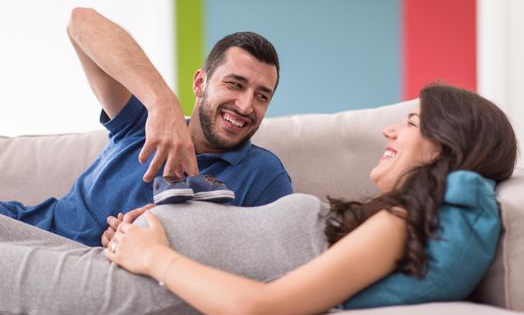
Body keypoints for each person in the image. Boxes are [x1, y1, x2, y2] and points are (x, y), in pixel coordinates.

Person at [0, 84, 516, 314]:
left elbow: (263, 306)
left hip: (137, 284)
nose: (389, 130)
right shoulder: (385, 221)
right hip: (125, 259)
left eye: (409, 122)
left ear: (445, 146)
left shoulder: (401, 224)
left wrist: (154, 255)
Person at [0, 8, 292, 247]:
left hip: (99, 276)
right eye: (235, 84)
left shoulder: (262, 173)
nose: (245, 105)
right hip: (30, 233)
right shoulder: (141, 123)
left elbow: (278, 259)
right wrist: (161, 101)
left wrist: (166, 238)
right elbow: (81, 22)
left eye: (261, 96)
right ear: (200, 83)